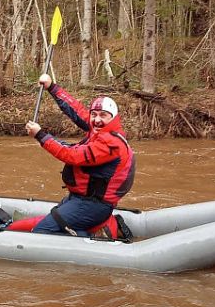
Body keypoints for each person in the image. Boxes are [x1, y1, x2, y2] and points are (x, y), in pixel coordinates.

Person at [25, 74, 135, 236]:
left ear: (113, 118)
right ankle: (102, 227)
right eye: (94, 114)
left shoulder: (111, 143)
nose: (97, 120)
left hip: (94, 205)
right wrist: (52, 87)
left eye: (103, 115)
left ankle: (95, 236)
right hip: (82, 199)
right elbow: (76, 110)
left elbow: (71, 155)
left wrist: (40, 135)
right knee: (52, 220)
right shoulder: (99, 129)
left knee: (41, 231)